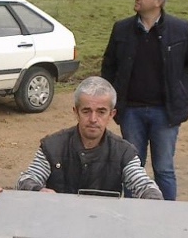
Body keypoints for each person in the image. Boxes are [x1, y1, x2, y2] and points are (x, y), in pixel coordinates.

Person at [101, 0, 188, 200]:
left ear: (159, 1)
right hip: (130, 112)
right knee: (132, 168)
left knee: (164, 169)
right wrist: (110, 101)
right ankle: (131, 217)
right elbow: (109, 66)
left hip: (165, 113)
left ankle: (166, 217)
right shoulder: (121, 28)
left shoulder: (180, 29)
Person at [15, 76, 162, 199]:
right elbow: (25, 180)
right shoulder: (52, 146)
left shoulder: (124, 152)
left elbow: (143, 184)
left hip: (105, 225)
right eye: (86, 111)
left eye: (101, 112)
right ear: (75, 112)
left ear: (112, 114)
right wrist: (38, 190)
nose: (93, 119)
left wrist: (151, 196)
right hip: (58, 223)